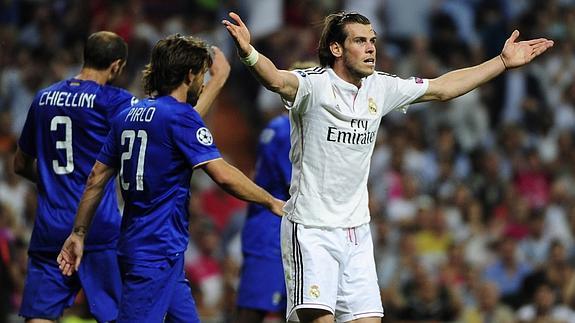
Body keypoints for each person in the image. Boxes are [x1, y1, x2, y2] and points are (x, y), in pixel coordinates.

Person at [222, 11, 553, 323]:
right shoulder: (314, 85)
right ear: (336, 48)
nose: (371, 49)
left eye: (373, 41)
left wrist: (501, 62)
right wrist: (249, 52)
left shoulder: (380, 87)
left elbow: (443, 88)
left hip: (357, 233)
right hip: (311, 230)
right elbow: (276, 79)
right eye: (360, 41)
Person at [56, 34, 284, 322]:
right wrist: (271, 201)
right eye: (202, 75)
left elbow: (96, 177)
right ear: (189, 74)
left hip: (155, 249)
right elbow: (223, 176)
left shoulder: (128, 114)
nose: (202, 82)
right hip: (154, 251)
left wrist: (78, 233)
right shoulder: (178, 118)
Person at [13, 30, 230, 323]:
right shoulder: (117, 102)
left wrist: (54, 182)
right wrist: (216, 82)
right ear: (116, 66)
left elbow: (20, 164)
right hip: (98, 229)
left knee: (39, 315)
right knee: (121, 315)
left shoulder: (43, 98)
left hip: (49, 226)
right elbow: (175, 124)